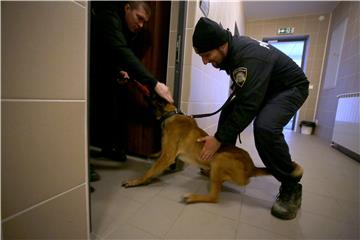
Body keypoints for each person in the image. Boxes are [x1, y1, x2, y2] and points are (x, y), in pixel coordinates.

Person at [192, 17, 309, 220]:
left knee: (265, 127)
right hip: (270, 87)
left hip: (291, 88)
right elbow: (246, 93)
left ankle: (291, 185)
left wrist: (217, 139)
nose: (205, 61)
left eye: (207, 55)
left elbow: (249, 105)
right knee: (229, 111)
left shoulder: (247, 57)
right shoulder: (232, 52)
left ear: (221, 45)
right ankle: (224, 162)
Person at [90, 1, 173, 164]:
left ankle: (109, 149)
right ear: (127, 8)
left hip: (105, 68)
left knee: (111, 105)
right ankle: (83, 166)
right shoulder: (109, 15)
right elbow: (120, 50)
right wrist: (155, 84)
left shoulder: (128, 28)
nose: (141, 25)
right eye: (139, 18)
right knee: (90, 107)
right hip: (85, 65)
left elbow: (114, 50)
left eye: (144, 22)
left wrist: (118, 70)